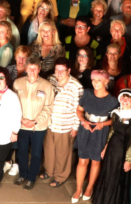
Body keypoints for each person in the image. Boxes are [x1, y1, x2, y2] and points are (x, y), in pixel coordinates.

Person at [72, 70, 119, 201]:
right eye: (93, 80)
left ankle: (89, 188)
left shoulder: (112, 100)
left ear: (106, 81)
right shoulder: (87, 93)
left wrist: (102, 125)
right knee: (82, 161)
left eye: (99, 80)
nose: (95, 83)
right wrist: (83, 121)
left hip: (101, 132)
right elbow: (79, 110)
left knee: (95, 162)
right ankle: (78, 189)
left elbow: (116, 119)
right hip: (85, 129)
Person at [94, 89, 131, 204]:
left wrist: (128, 160)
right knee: (108, 173)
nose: (125, 100)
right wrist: (105, 147)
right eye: (123, 97)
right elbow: (111, 131)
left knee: (116, 176)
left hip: (122, 150)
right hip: (112, 149)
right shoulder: (116, 113)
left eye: (128, 98)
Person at [44, 57, 83, 187]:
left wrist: (75, 127)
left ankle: (60, 176)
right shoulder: (51, 80)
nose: (59, 74)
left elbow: (79, 109)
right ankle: (49, 171)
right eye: (57, 70)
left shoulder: (76, 86)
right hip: (50, 123)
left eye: (62, 71)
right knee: (49, 149)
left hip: (65, 125)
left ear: (69, 70)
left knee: (63, 153)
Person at [14, 61, 54, 189]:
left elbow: (49, 107)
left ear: (39, 69)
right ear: (26, 69)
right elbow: (13, 104)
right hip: (22, 124)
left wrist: (35, 121)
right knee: (22, 152)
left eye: (34, 68)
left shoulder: (47, 85)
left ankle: (31, 178)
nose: (32, 71)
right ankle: (22, 174)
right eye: (29, 68)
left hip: (38, 126)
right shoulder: (17, 83)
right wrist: (20, 119)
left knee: (36, 153)